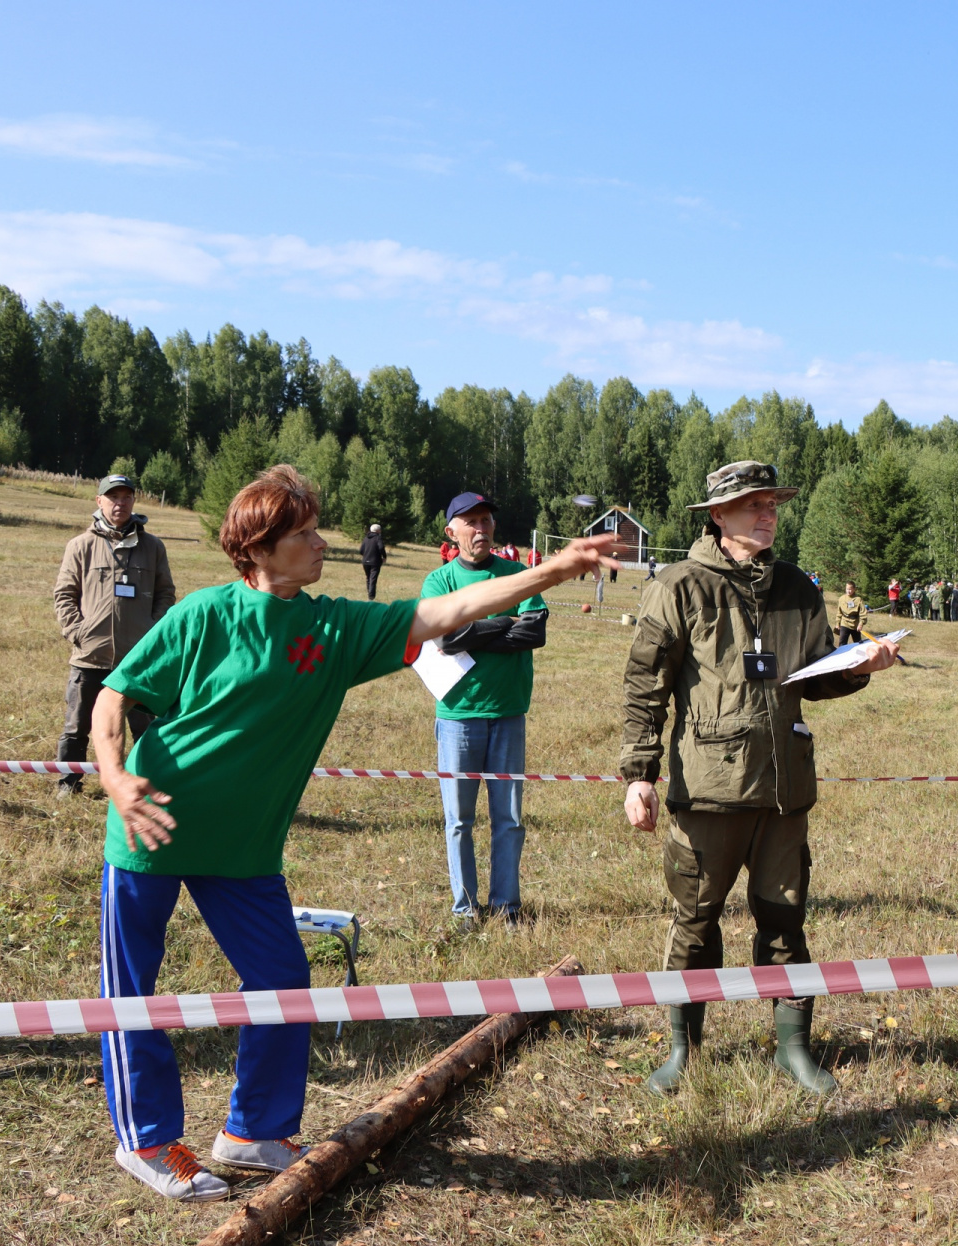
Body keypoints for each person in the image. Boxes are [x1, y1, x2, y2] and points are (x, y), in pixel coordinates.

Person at [91, 464, 614, 1203]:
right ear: (260, 548)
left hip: (243, 850)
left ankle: (254, 1130)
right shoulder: (203, 616)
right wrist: (114, 776)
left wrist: (552, 572)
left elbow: (449, 612)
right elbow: (114, 697)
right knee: (133, 996)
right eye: (302, 534)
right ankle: (145, 1141)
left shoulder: (334, 627)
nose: (321, 543)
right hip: (153, 828)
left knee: (282, 983)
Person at [622, 461, 900, 1097]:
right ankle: (682, 1050)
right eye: (754, 505)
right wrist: (638, 774)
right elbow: (645, 685)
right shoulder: (679, 585)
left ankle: (793, 1048)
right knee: (696, 921)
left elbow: (814, 677)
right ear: (719, 516)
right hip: (708, 792)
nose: (769, 514)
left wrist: (862, 666)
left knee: (785, 919)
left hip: (783, 791)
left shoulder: (799, 589)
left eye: (773, 503)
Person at [421, 492, 551, 927]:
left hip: (509, 712)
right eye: (471, 522)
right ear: (451, 532)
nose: (481, 528)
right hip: (457, 715)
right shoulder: (439, 582)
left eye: (486, 520)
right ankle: (464, 910)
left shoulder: (519, 575)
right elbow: (444, 639)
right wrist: (505, 622)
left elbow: (533, 634)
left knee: (509, 818)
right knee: (459, 820)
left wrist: (473, 629)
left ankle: (506, 906)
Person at [53, 474, 176, 798]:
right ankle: (69, 783)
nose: (119, 503)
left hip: (137, 659)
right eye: (112, 497)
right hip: (90, 656)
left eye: (125, 497)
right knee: (77, 727)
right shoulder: (80, 546)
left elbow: (165, 593)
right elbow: (64, 594)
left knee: (146, 728)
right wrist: (77, 631)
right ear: (99, 501)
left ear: (133, 501)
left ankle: (149, 782)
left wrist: (153, 632)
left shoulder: (152, 547)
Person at [359, 523, 387, 600]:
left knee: (368, 578)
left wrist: (366, 555)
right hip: (375, 561)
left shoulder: (366, 538)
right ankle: (371, 596)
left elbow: (361, 550)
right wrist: (384, 556)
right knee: (373, 578)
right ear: (378, 531)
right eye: (380, 530)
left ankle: (369, 594)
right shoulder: (378, 538)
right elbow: (381, 547)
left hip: (365, 561)